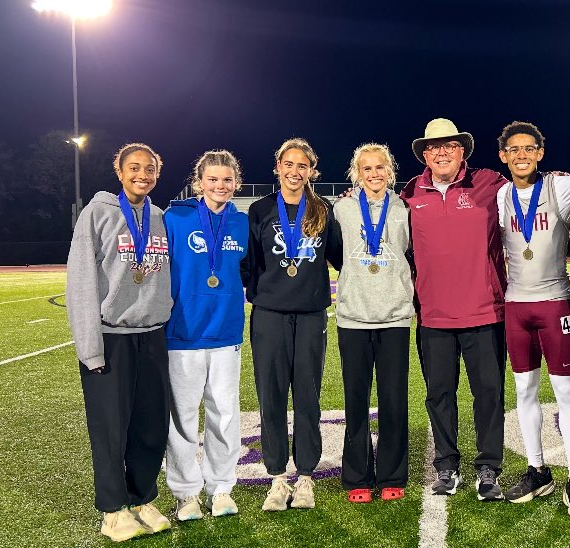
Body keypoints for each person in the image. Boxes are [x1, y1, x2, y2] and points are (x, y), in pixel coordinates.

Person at [66, 142, 173, 542]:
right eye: (134, 167)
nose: (141, 174)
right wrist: (90, 348)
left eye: (149, 168)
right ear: (120, 170)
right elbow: (79, 282)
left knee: (149, 426)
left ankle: (143, 498)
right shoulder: (97, 214)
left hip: (152, 335)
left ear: (157, 174)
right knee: (111, 428)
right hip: (111, 338)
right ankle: (113, 510)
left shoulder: (160, 217)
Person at [400, 118, 508, 500]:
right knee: (439, 395)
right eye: (433, 147)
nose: (441, 151)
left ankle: (489, 468)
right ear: (424, 155)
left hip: (486, 312)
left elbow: (529, 189)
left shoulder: (490, 183)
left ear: (462, 150)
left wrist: (554, 177)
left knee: (489, 394)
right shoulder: (410, 193)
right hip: (433, 315)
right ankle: (446, 464)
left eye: (449, 145)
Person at [493, 120, 570, 517]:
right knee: (524, 392)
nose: (521, 155)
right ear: (503, 156)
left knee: (567, 392)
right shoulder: (500, 195)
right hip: (516, 306)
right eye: (513, 149)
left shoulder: (561, 186)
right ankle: (538, 470)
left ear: (540, 153)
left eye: (528, 148)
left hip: (554, 303)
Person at [242, 138, 342, 511]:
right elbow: (248, 262)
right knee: (271, 396)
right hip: (269, 314)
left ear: (312, 171)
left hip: (311, 314)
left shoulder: (322, 209)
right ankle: (276, 477)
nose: (295, 171)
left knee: (307, 396)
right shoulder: (260, 209)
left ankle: (305, 477)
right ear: (277, 167)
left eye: (303, 165)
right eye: (289, 164)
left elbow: (339, 257)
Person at [163, 150, 249, 520]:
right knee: (181, 418)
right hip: (182, 335)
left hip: (226, 334)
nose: (220, 186)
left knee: (225, 415)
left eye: (227, 180)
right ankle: (185, 493)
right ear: (199, 182)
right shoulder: (175, 217)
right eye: (212, 179)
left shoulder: (242, 222)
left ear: (236, 183)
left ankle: (221, 487)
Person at [332, 143, 413, 503]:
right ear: (357, 173)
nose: (374, 174)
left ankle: (392, 473)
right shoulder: (343, 208)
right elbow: (336, 254)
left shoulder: (403, 208)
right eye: (367, 169)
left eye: (380, 167)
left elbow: (411, 252)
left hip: (394, 315)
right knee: (356, 400)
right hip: (353, 316)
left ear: (390, 171)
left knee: (394, 399)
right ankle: (357, 476)